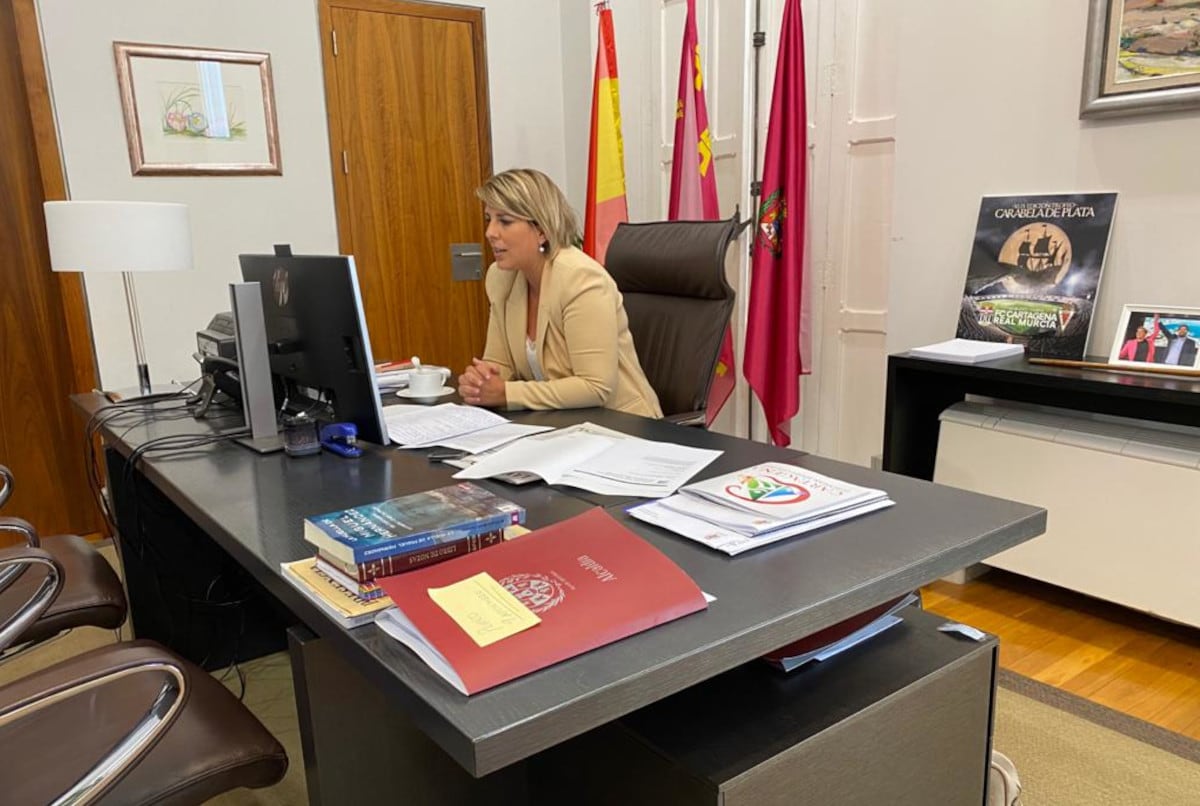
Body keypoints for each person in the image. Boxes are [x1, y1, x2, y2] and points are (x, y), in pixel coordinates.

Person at [457, 168, 663, 418]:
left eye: (505, 221)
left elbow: (595, 386)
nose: (490, 232)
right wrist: (480, 383)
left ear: (541, 229)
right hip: (559, 425)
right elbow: (500, 365)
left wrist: (506, 394)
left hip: (622, 426)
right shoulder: (501, 278)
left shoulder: (580, 279)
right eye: (488, 218)